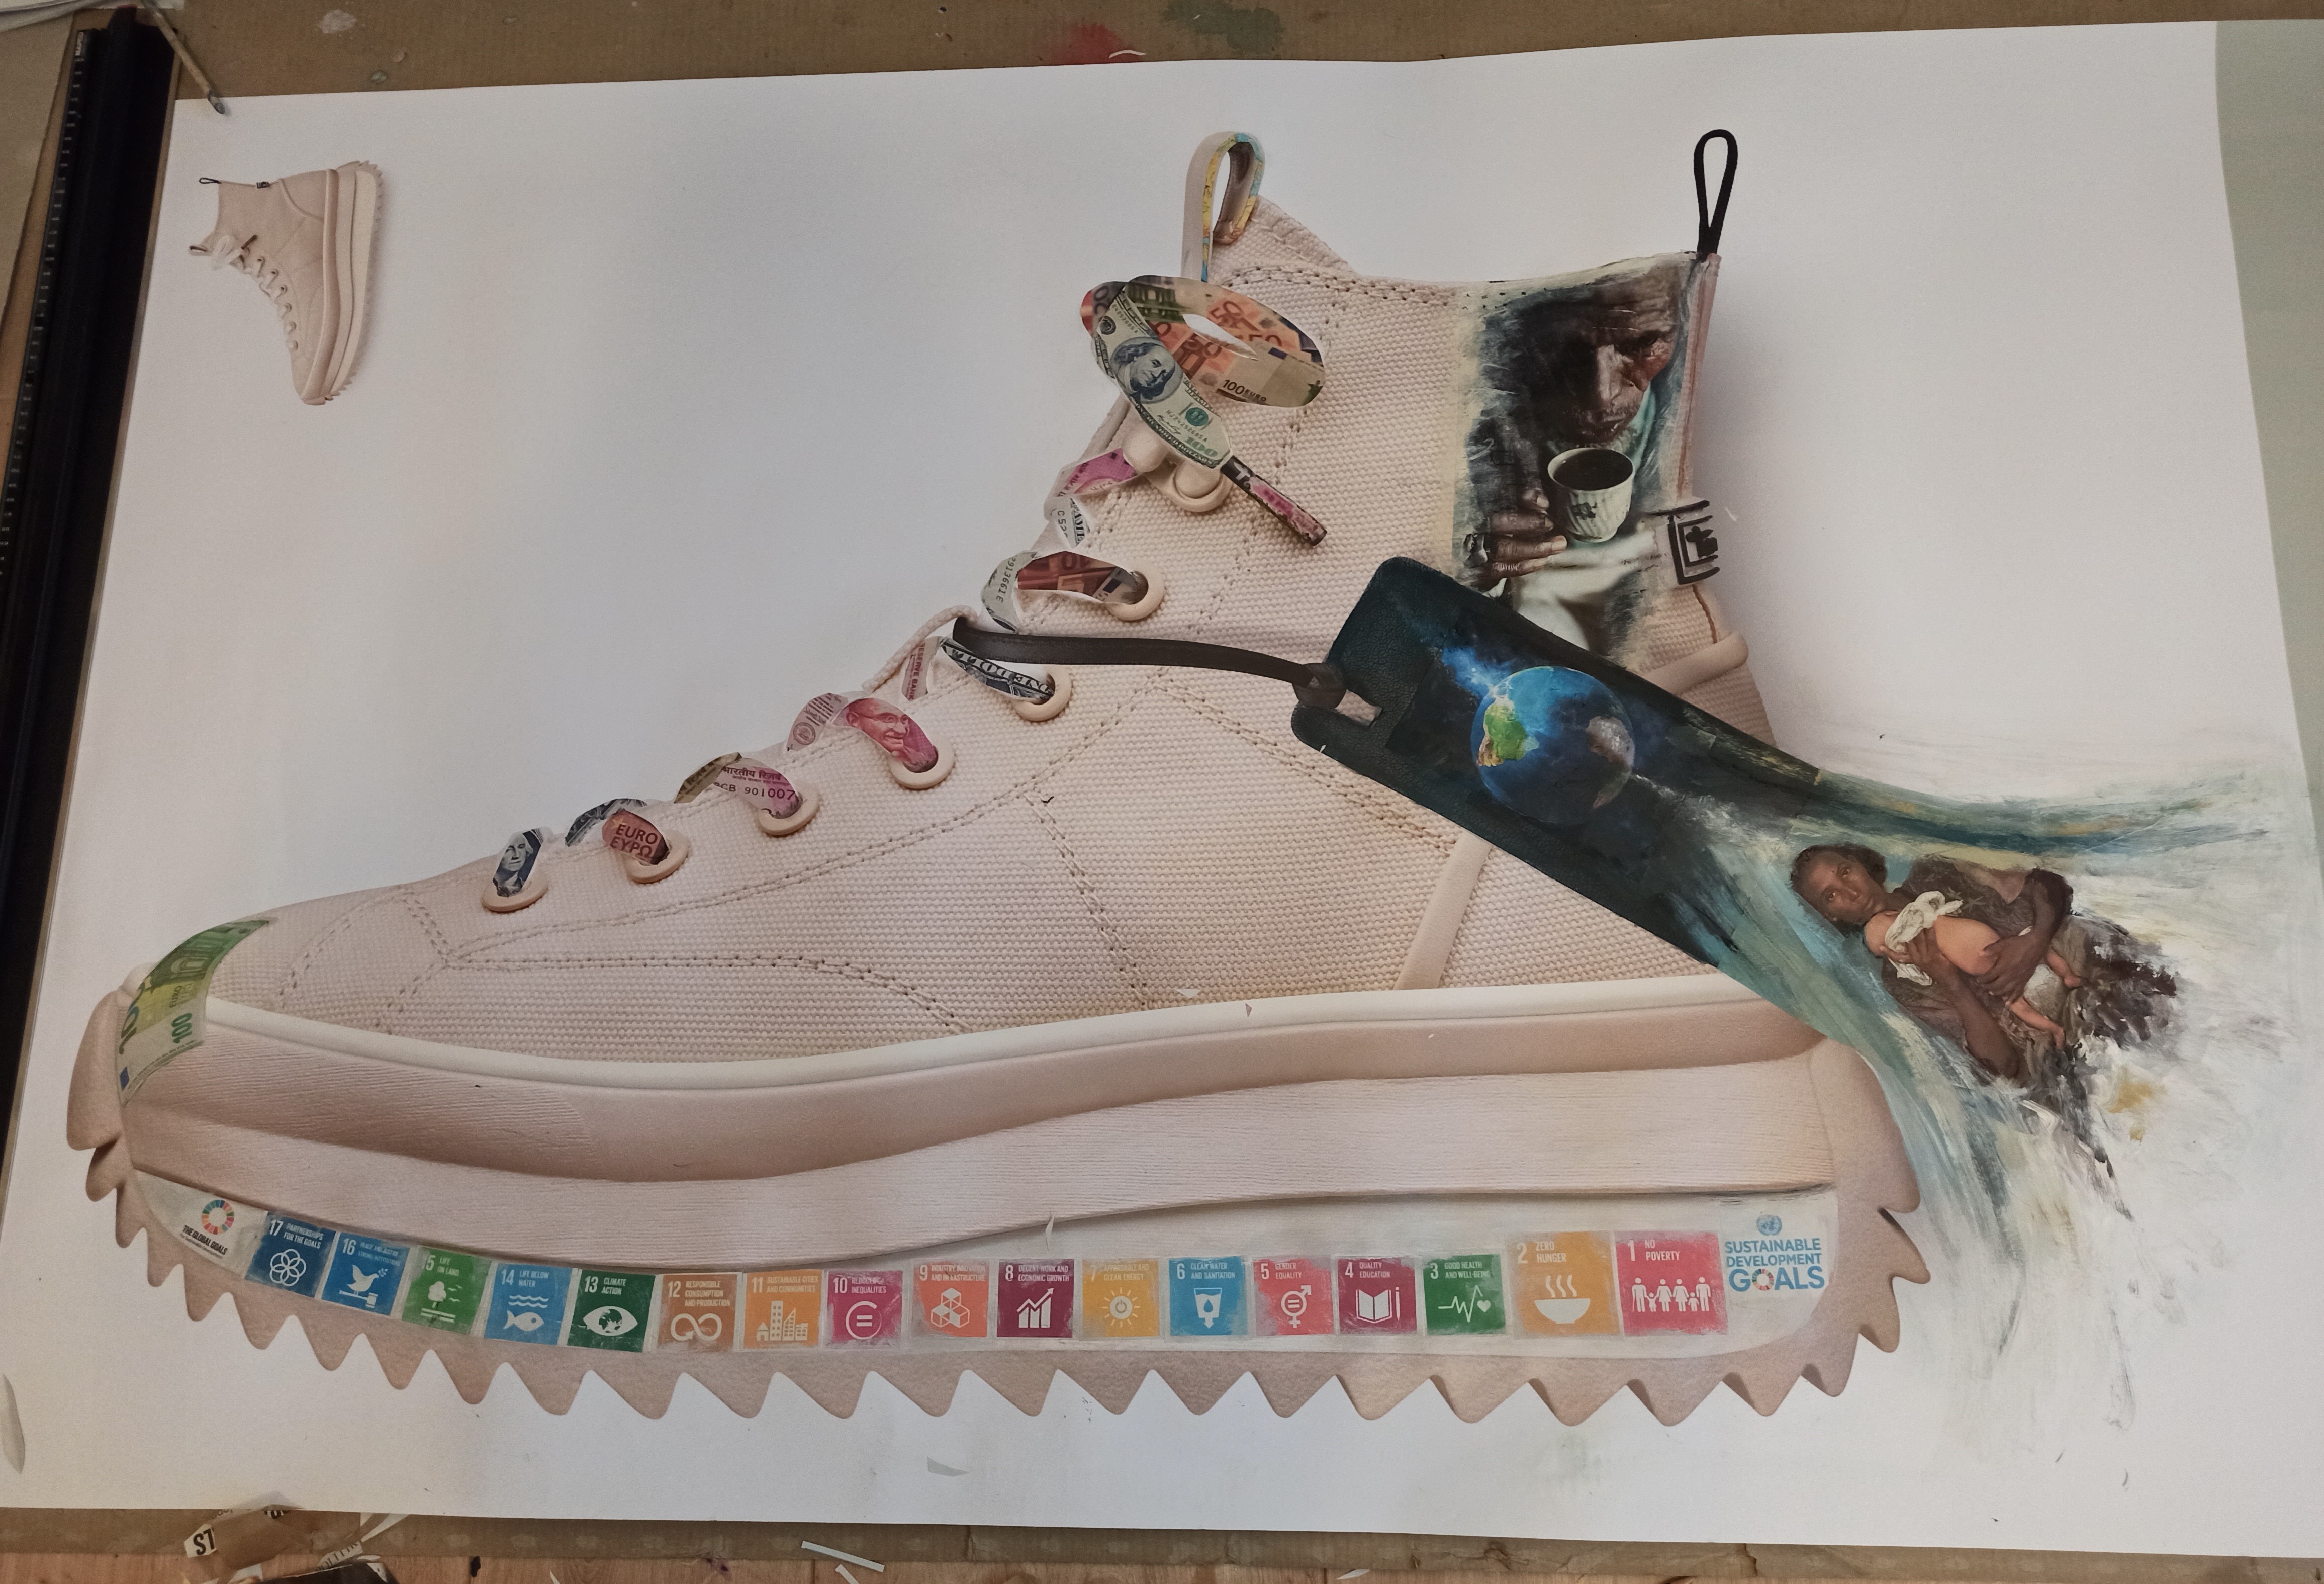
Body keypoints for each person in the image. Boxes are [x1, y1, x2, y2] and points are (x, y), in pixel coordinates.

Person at [1862, 893, 2080, 1050]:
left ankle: (2055, 1030)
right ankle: (2068, 975)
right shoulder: (1919, 913)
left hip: (1986, 968)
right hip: (1996, 945)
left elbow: (1921, 975)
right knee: (2038, 946)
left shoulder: (1913, 949)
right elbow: (1934, 899)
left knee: (2018, 1005)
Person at [843, 696, 940, 773]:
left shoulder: (921, 757)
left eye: (904, 720)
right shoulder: (849, 760)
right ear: (854, 720)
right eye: (888, 719)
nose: (902, 731)